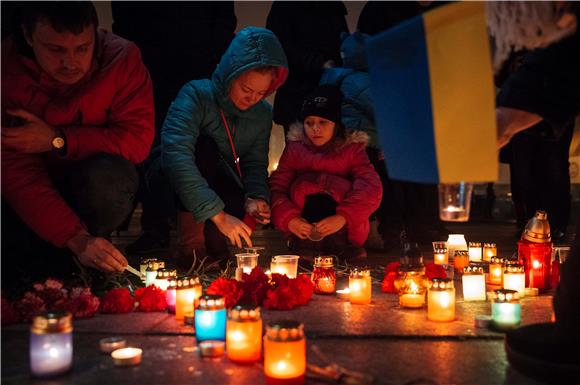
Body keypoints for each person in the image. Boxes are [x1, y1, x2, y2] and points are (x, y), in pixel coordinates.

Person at [1, 1, 154, 287]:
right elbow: (14, 170)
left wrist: (57, 138)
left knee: (108, 178)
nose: (70, 63)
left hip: (89, 182)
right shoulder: (7, 70)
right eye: (56, 50)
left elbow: (137, 140)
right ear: (28, 35)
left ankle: (90, 252)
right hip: (28, 196)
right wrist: (75, 237)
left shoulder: (120, 59)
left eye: (81, 48)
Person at [111, 2, 237, 256]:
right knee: (151, 150)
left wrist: (213, 65)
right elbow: (124, 17)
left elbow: (223, 21)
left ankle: (202, 231)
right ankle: (156, 226)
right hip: (151, 71)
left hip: (198, 69)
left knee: (202, 149)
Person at [160, 26, 288, 264]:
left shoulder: (261, 114)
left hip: (221, 182)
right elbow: (176, 157)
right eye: (246, 89)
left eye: (262, 92)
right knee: (205, 149)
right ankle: (191, 247)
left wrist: (255, 197)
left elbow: (254, 162)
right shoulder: (196, 95)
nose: (252, 99)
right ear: (230, 75)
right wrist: (219, 216)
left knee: (220, 249)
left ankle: (215, 246)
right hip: (173, 186)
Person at [357, 0, 448, 248]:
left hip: (431, 97)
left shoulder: (448, 7)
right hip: (391, 96)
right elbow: (363, 53)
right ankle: (393, 226)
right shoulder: (380, 8)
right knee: (391, 167)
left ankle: (424, 224)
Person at [269, 85, 382, 260]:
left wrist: (343, 217)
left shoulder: (352, 150)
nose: (316, 129)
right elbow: (277, 188)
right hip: (304, 224)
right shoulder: (295, 150)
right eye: (309, 122)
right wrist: (290, 219)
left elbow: (370, 187)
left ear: (336, 124)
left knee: (342, 187)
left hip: (342, 225)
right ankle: (305, 244)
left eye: (323, 122)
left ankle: (342, 245)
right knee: (303, 185)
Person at [319, 31, 390, 250]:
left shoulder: (333, 77)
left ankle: (346, 232)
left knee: (348, 191)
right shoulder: (362, 81)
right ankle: (370, 233)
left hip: (342, 144)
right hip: (365, 144)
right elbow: (383, 111)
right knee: (370, 190)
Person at [266, 1, 348, 134]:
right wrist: (318, 63)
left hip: (330, 96)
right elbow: (277, 46)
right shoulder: (285, 6)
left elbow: (344, 44)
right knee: (299, 149)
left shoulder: (333, 6)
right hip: (296, 96)